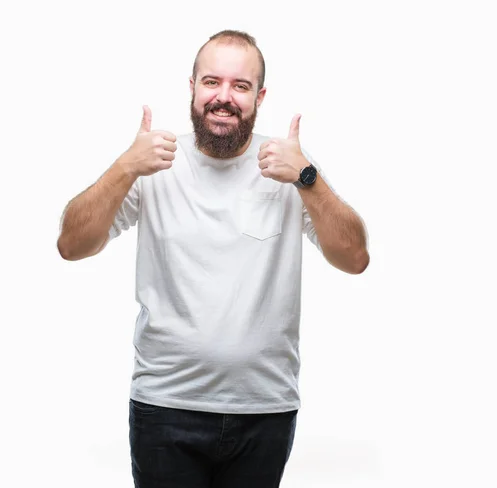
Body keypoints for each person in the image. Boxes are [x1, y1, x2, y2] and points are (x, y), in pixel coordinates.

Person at [57, 30, 370, 488]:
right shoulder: (153, 165)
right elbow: (71, 245)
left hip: (264, 408)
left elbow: (355, 258)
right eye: (211, 82)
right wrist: (125, 166)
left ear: (259, 97)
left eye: (240, 86)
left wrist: (308, 178)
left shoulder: (289, 166)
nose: (223, 97)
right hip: (165, 406)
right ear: (192, 86)